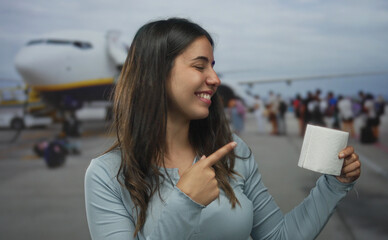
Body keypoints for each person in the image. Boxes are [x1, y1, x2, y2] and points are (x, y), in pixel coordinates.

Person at [84, 18, 361, 240]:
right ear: (156, 74)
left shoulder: (232, 152)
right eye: (199, 65)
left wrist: (334, 185)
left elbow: (280, 236)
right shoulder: (107, 174)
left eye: (213, 67)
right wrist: (185, 203)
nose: (215, 79)